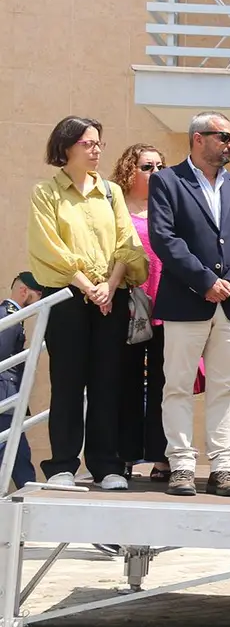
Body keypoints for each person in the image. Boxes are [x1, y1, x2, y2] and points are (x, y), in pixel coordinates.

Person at [28, 116, 149, 491]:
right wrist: (86, 285)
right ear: (66, 147)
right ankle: (62, 464)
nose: (96, 150)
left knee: (106, 382)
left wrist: (110, 286)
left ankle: (105, 464)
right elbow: (49, 247)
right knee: (67, 382)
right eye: (88, 143)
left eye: (98, 143)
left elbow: (127, 243)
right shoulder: (46, 193)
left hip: (110, 296)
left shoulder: (111, 191)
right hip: (67, 297)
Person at [148, 111, 230, 497]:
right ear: (198, 138)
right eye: (223, 137)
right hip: (187, 300)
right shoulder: (167, 181)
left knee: (225, 388)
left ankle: (223, 467)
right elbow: (165, 239)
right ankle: (181, 465)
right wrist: (205, 281)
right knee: (178, 386)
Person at [111, 142, 172, 482]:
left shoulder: (170, 207)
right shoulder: (115, 207)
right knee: (127, 382)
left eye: (160, 167)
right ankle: (126, 455)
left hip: (165, 305)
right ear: (130, 170)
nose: (155, 173)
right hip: (130, 305)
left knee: (165, 384)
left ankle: (162, 458)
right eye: (148, 167)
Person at [0, 273, 44, 490]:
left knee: (14, 448)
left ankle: (28, 489)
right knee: (14, 447)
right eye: (37, 296)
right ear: (24, 291)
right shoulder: (9, 316)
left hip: (8, 393)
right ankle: (29, 490)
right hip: (4, 392)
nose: (38, 303)